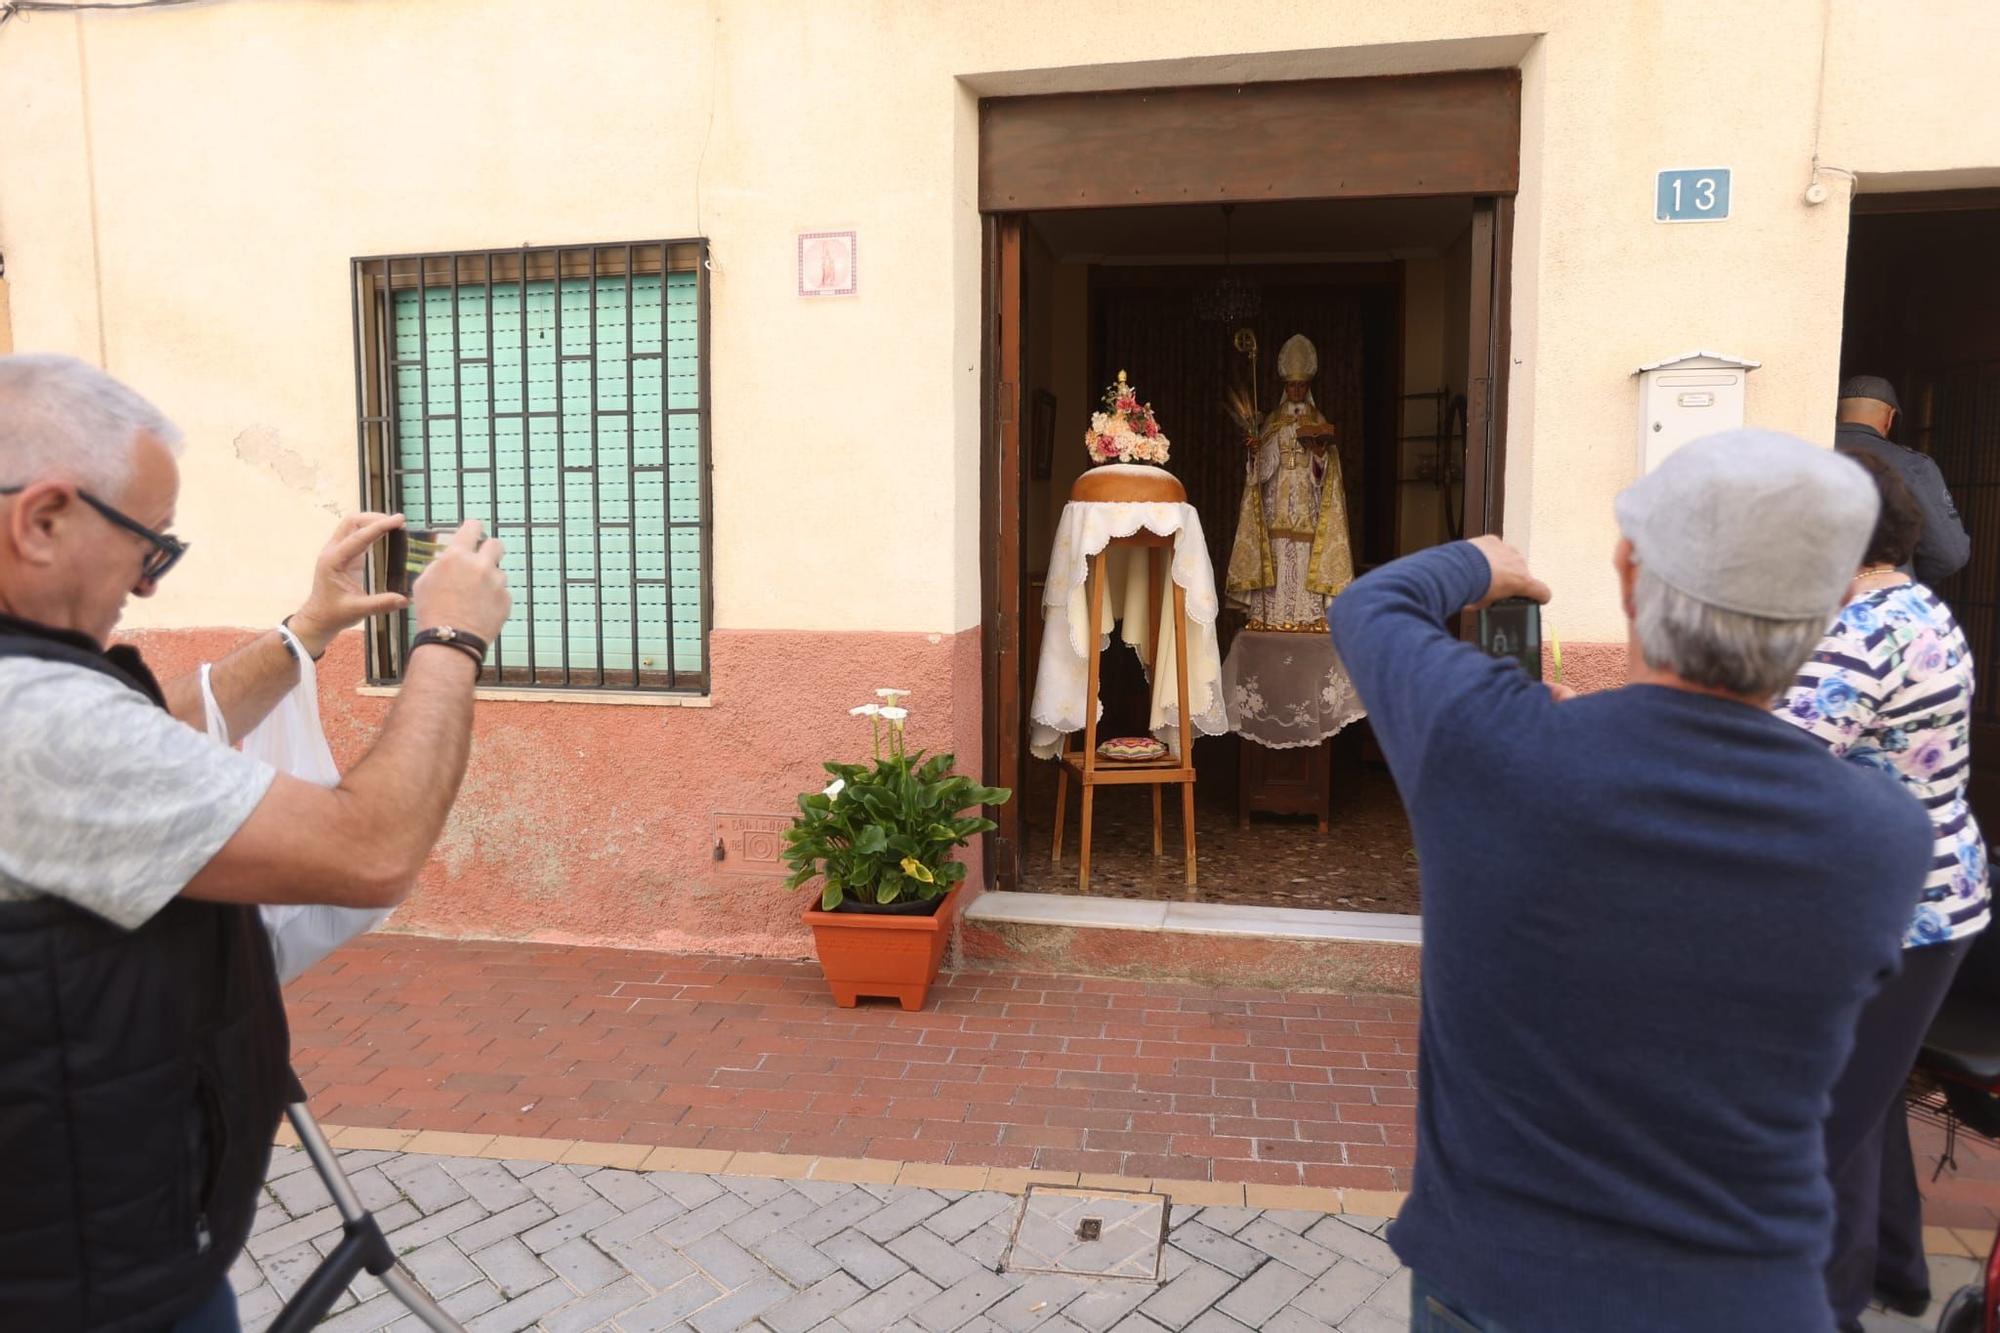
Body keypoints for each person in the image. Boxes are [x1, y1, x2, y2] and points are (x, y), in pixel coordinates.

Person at [1329, 429, 1933, 1332]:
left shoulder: (1491, 748)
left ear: (1627, 569)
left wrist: (1481, 562)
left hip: (1499, 1288)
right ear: (1834, 609)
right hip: (1749, 1300)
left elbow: (1369, 608)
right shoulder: (1885, 837)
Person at [0, 353, 511, 1331]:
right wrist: (451, 641)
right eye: (150, 547)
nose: (145, 588)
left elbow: (156, 745)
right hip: (88, 1293)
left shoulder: (39, 689)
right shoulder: (30, 712)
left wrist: (305, 633)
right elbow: (371, 849)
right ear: (42, 519)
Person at [1775, 451, 1990, 1331]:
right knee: (1869, 1097)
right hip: (1932, 898)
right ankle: (1898, 1268)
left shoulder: (1861, 636)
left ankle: (1822, 1310)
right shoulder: (1910, 605)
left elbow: (1769, 766)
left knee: (1823, 1124)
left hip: (1895, 912)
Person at [1224, 333, 1355, 632]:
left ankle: (1307, 616)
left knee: (1304, 557)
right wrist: (1257, 453)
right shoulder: (1272, 422)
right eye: (1291, 385)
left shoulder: (1318, 419)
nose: (1296, 390)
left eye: (1301, 385)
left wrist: (1320, 457)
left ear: (1308, 387)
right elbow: (1262, 473)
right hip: (1277, 504)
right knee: (1278, 556)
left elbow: (1326, 478)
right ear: (1285, 387)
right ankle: (1269, 615)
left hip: (1306, 504)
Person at [1835, 374, 1970, 586]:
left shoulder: (1806, 454)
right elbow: (1948, 554)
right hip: (1878, 600)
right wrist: (1904, 575)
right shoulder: (1911, 466)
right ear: (1890, 418)